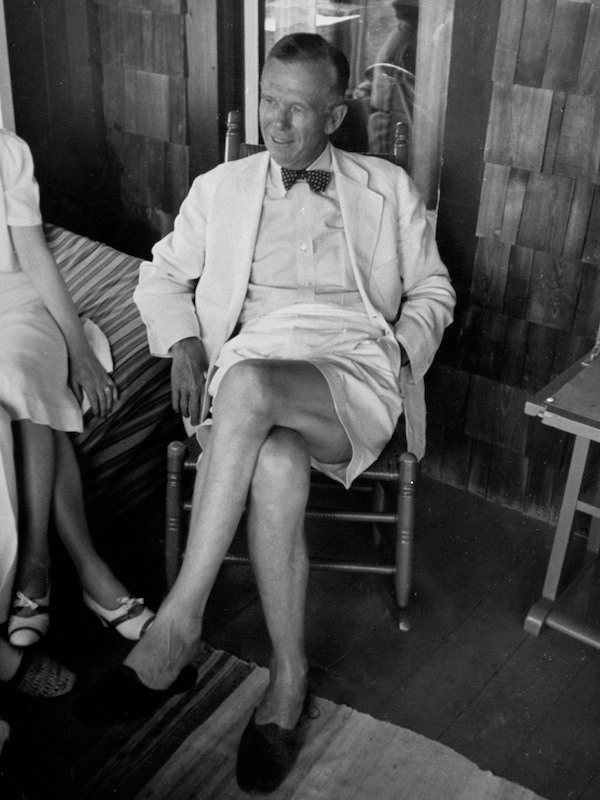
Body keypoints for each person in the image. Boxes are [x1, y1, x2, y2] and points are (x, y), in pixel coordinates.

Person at [77, 33, 455, 793]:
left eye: (298, 109)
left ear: (336, 115)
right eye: (268, 101)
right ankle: (289, 683)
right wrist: (183, 343)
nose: (276, 124)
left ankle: (179, 623)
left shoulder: (385, 188)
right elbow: (161, 277)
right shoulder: (222, 189)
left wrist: (399, 357)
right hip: (255, 365)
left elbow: (434, 292)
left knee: (247, 387)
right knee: (275, 462)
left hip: (352, 370)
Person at [0, 129, 154, 649]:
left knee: (20, 382)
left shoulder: (6, 150)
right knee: (37, 411)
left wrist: (80, 350)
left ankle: (35, 568)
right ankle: (90, 571)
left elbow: (35, 255)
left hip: (18, 304)